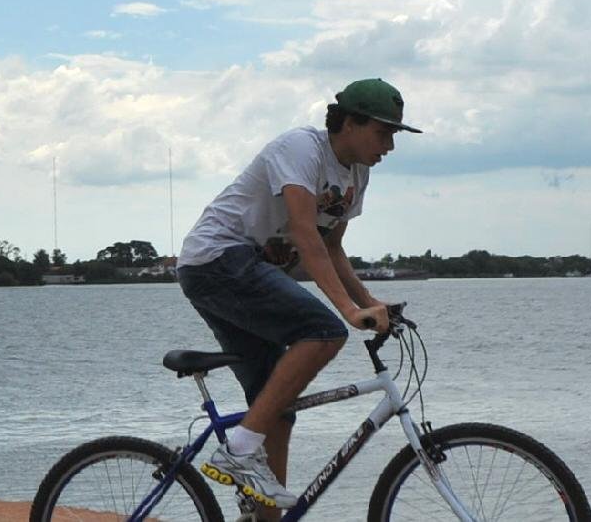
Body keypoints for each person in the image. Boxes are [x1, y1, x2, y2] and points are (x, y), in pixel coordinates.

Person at [175, 78, 415, 519]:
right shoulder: (302, 149)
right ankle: (239, 449)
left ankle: (259, 503)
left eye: (394, 135)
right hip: (218, 259)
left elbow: (333, 247)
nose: (390, 146)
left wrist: (370, 302)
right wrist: (347, 311)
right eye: (384, 133)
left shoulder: (357, 175)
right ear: (348, 122)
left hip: (241, 271)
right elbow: (306, 235)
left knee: (277, 409)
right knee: (323, 331)